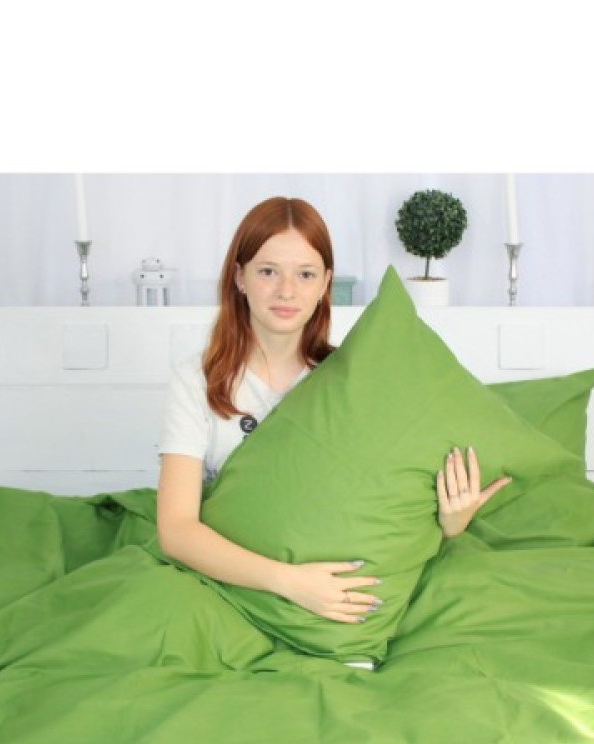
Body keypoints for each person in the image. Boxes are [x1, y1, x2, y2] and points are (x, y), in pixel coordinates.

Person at [156, 196, 510, 625]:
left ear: (325, 283)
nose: (287, 291)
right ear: (239, 277)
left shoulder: (352, 378)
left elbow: (381, 494)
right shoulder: (196, 380)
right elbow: (176, 530)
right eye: (268, 271)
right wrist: (290, 581)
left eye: (305, 274)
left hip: (338, 598)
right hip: (232, 584)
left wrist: (450, 523)